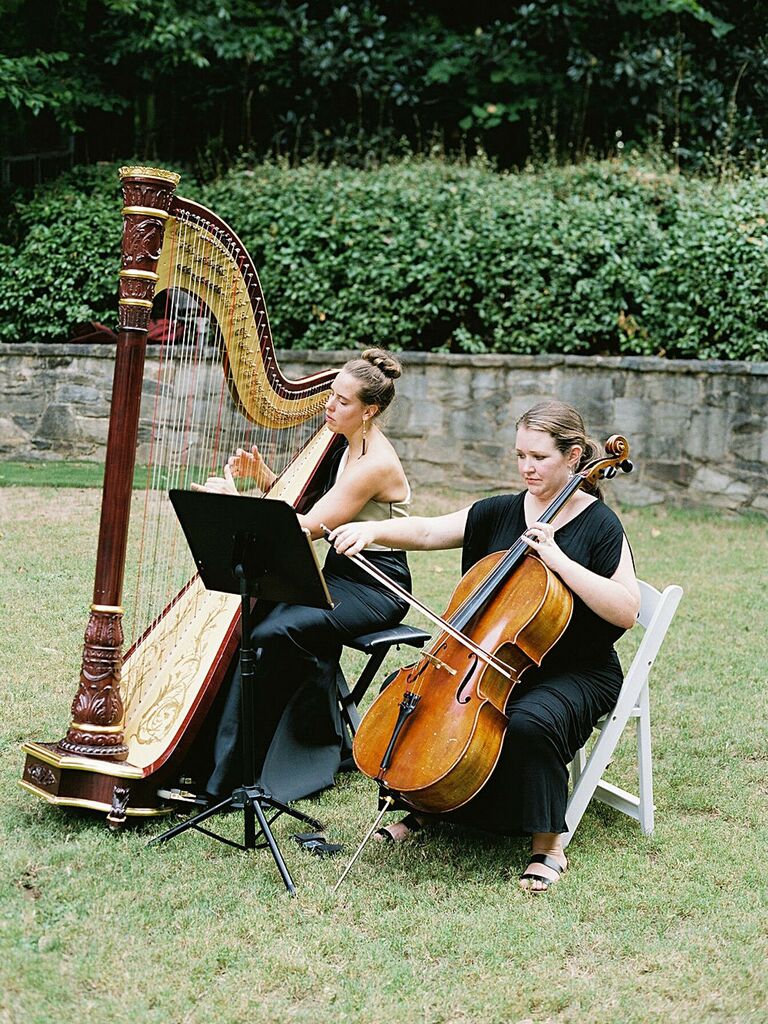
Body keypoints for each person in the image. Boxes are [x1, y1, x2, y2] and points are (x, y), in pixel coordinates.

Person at [329, 400, 640, 893]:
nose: (526, 467)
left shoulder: (600, 526)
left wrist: (558, 560)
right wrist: (373, 529)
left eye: (538, 457)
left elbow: (626, 607)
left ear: (574, 455)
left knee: (530, 723)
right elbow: (430, 530)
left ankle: (547, 844)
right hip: (488, 660)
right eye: (520, 455)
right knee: (410, 697)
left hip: (575, 669)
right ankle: (425, 806)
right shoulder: (501, 510)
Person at [191, 348, 413, 805]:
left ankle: (271, 762)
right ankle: (219, 759)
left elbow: (305, 529)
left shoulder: (375, 464)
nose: (329, 406)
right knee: (254, 618)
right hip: (335, 574)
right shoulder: (344, 443)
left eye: (343, 401)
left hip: (376, 586)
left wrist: (233, 502)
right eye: (330, 396)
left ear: (369, 410)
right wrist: (265, 478)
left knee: (274, 631)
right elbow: (312, 513)